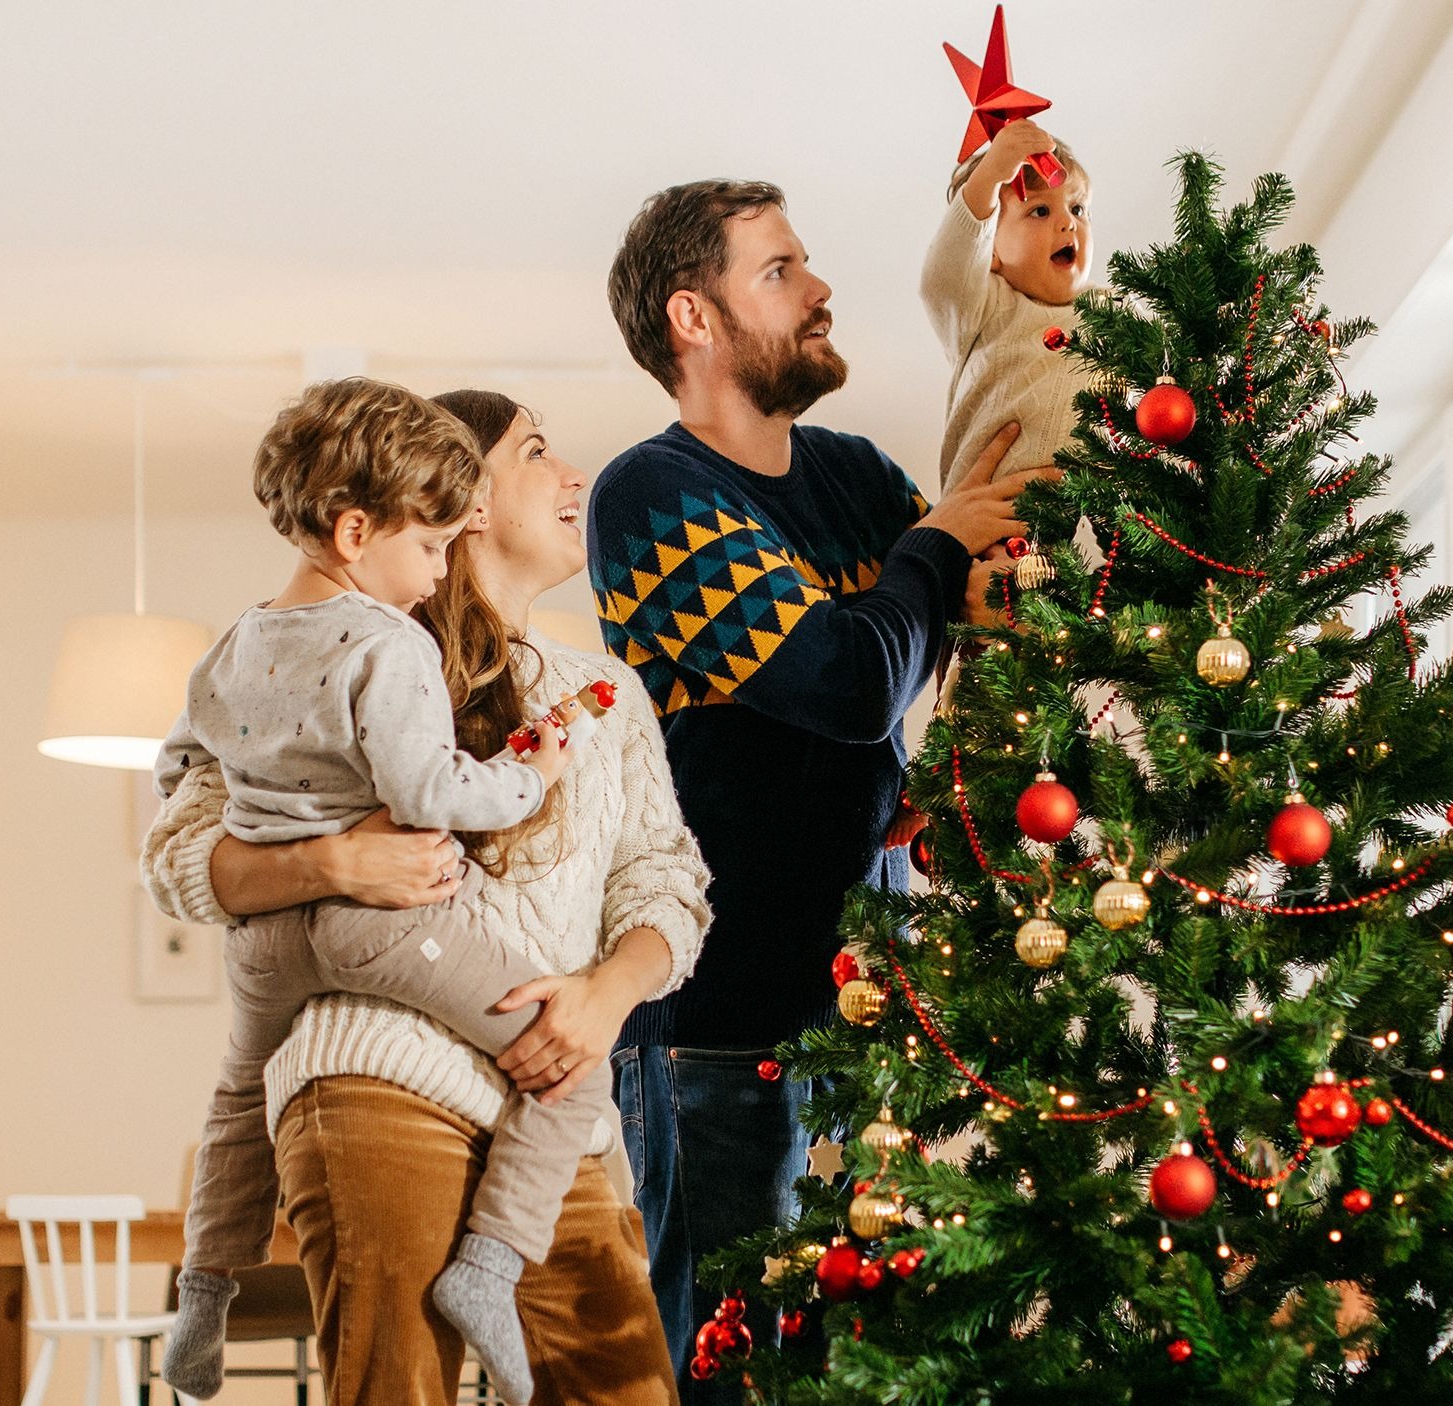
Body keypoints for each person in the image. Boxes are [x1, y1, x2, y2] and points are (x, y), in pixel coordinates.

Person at [143, 389, 700, 1406]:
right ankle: (205, 1295)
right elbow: (180, 847)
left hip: (550, 1096)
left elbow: (666, 881)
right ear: (469, 500)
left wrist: (605, 995)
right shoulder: (350, 653)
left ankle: (202, 1291)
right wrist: (331, 867)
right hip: (372, 1080)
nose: (577, 474)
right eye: (539, 451)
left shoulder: (603, 693)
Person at [590, 178, 1044, 1399]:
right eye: (781, 270)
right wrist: (934, 545)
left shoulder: (854, 475)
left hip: (884, 1017)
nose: (822, 286)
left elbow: (966, 632)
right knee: (744, 1367)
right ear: (695, 317)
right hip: (722, 1030)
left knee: (886, 1367)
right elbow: (849, 680)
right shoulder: (650, 496)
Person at [923, 118, 1095, 491]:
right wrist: (991, 175)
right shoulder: (984, 305)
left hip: (1083, 523)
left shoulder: (1112, 310)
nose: (1068, 223)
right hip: (981, 521)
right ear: (991, 250)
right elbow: (945, 272)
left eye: (1078, 209)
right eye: (1040, 211)